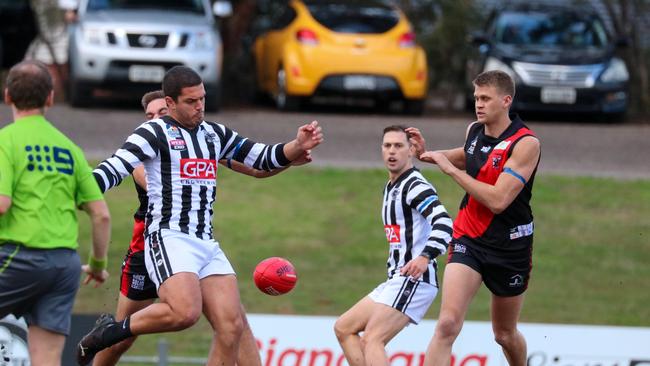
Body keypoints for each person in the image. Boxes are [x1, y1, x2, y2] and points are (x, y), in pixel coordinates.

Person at [77, 65, 323, 366]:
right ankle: (110, 333)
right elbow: (113, 169)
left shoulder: (213, 133)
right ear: (170, 104)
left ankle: (114, 331)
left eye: (202, 99)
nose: (200, 107)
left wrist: (297, 144)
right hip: (168, 236)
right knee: (185, 313)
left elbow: (261, 157)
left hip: (205, 241)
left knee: (232, 326)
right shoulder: (153, 132)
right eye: (191, 102)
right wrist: (78, 191)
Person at [407, 70, 541, 366]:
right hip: (469, 237)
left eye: (485, 98)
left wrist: (449, 171)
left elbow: (498, 200)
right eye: (476, 97)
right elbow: (467, 155)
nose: (478, 104)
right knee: (447, 325)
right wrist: (427, 154)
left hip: (511, 247)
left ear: (506, 101)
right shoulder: (475, 130)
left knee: (504, 334)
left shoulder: (525, 144)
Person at [0, 60, 110, 366]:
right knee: (47, 358)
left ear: (7, 95)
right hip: (64, 266)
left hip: (18, 256)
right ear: (50, 98)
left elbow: (1, 204)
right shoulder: (70, 148)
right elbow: (101, 214)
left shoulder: (5, 142)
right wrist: (98, 264)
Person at [334, 125, 453, 366]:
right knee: (344, 328)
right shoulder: (391, 187)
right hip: (396, 278)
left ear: (411, 150)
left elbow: (445, 222)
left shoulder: (414, 185)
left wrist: (425, 257)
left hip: (415, 279)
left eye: (398, 146)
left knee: (372, 340)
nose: (392, 151)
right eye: (387, 145)